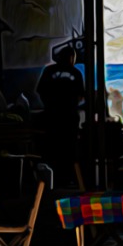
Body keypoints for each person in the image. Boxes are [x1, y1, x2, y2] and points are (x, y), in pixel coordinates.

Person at [36, 45, 85, 183]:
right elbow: (81, 96)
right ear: (72, 58)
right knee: (69, 149)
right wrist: (69, 104)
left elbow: (41, 91)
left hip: (52, 116)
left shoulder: (48, 70)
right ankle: (68, 178)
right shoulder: (76, 73)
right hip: (69, 117)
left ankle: (53, 180)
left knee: (52, 148)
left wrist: (50, 105)